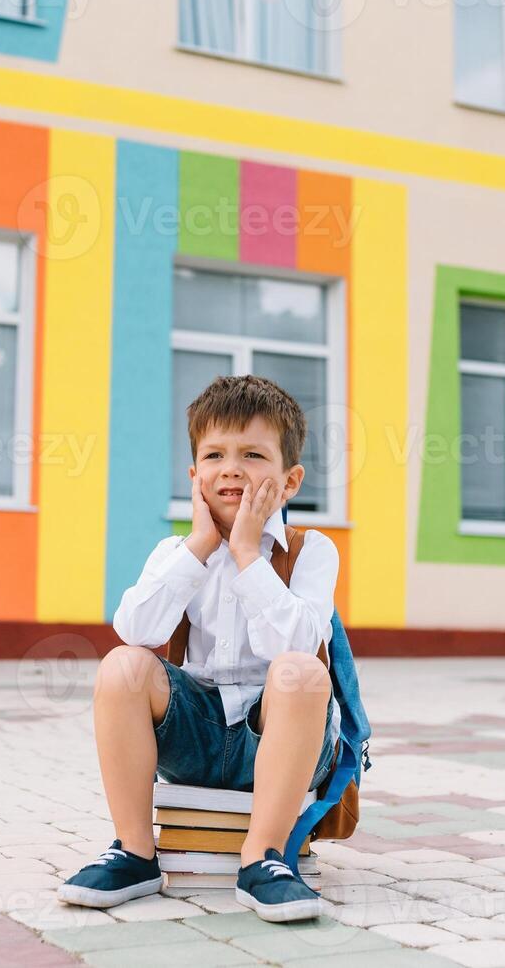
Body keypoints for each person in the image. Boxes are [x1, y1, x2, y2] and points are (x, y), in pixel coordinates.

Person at [57, 374, 339, 923]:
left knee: (300, 672)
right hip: (197, 737)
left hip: (280, 741)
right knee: (123, 667)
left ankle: (264, 860)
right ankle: (135, 852)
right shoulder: (175, 550)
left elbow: (299, 644)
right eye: (214, 454)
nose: (231, 468)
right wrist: (203, 548)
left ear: (289, 481)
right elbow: (133, 628)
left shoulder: (312, 551)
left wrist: (247, 556)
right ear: (195, 477)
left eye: (253, 454)